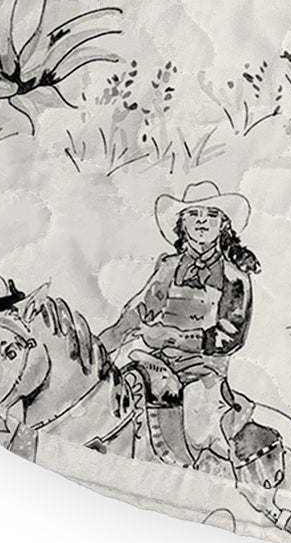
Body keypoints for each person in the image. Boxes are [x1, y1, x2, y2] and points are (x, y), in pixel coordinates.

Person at [97, 182, 261, 471]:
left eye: (211, 214)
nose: (202, 221)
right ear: (182, 223)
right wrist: (103, 345)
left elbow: (230, 335)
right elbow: (143, 307)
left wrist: (172, 337)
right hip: (158, 365)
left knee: (200, 428)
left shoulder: (235, 276)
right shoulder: (169, 266)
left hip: (204, 371)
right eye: (193, 213)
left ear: (224, 224)